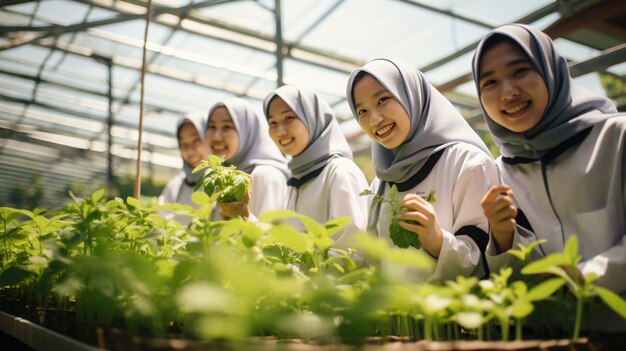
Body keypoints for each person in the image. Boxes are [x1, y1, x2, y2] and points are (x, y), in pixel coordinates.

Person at [473, 24, 625, 331]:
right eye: (490, 82)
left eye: (520, 71)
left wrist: (583, 275)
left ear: (551, 71)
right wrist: (502, 235)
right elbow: (515, 280)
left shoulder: (616, 138)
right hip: (549, 336)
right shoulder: (500, 170)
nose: (508, 92)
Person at [346, 58, 500, 282]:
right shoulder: (380, 183)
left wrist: (438, 241)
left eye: (383, 99)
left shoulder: (466, 162)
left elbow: (489, 258)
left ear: (411, 96)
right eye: (362, 111)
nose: (375, 119)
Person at [263, 84, 369, 251]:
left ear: (312, 117)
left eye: (288, 118)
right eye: (272, 122)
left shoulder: (340, 173)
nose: (280, 131)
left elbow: (350, 252)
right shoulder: (297, 178)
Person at [205, 98, 289, 219]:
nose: (216, 137)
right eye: (212, 127)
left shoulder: (265, 176)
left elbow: (269, 235)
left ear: (246, 130)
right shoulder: (222, 178)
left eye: (226, 127)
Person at [159, 112, 210, 225]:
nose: (190, 151)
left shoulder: (223, 182)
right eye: (183, 144)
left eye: (196, 140)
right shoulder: (175, 186)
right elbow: (162, 222)